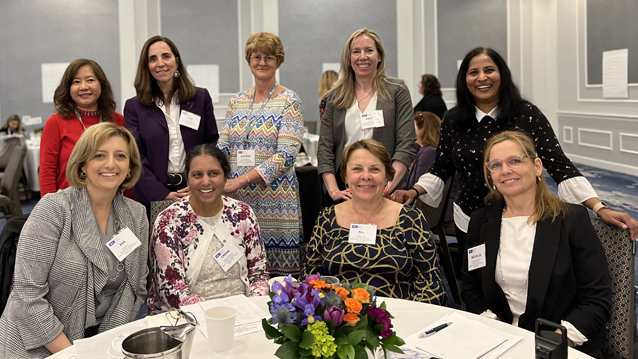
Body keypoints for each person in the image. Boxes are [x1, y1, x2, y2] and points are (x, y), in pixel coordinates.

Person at [391, 47, 638, 250]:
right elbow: (441, 167)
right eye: (473, 72)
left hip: (524, 219)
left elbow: (558, 164)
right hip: (470, 219)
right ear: (464, 79)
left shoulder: (527, 114)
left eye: (489, 70)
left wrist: (599, 207)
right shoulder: (453, 119)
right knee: (477, 286)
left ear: (502, 74)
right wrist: (414, 192)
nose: (482, 77)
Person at [0, 122, 147, 357]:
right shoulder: (54, 210)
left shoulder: (136, 214)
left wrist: (104, 347)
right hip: (40, 345)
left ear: (129, 167)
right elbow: (27, 297)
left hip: (101, 339)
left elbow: (135, 287)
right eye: (99, 155)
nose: (111, 164)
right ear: (82, 165)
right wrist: (73, 355)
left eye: (120, 156)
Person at [462, 131, 611, 358]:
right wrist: (491, 324)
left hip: (561, 345)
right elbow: (471, 286)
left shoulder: (571, 220)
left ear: (537, 166)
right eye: (495, 165)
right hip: (499, 342)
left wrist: (552, 344)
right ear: (490, 175)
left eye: (515, 161)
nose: (505, 170)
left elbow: (596, 298)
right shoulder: (481, 221)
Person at [302, 139, 446, 305]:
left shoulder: (410, 219)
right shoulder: (327, 218)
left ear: (387, 177)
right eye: (357, 169)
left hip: (396, 319)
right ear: (345, 177)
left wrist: (410, 322)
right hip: (339, 320)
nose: (366, 176)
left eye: (375, 169)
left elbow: (430, 285)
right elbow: (310, 278)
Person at [217, 32, 303, 276]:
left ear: (278, 61)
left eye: (269, 57)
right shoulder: (237, 101)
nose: (262, 62)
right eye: (257, 56)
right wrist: (213, 174)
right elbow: (223, 144)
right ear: (249, 60)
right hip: (237, 199)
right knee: (238, 271)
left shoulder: (289, 100)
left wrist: (241, 181)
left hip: (275, 202)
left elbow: (286, 154)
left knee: (277, 283)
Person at [148, 144, 269, 314]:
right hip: (188, 317)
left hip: (244, 314)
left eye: (214, 173)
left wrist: (250, 309)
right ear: (188, 179)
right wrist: (216, 316)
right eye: (197, 175)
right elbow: (171, 289)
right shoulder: (169, 221)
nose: (206, 181)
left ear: (225, 177)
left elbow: (258, 274)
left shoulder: (243, 213)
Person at [318, 28, 416, 205]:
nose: (362, 56)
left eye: (369, 50)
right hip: (345, 188)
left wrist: (386, 188)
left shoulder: (397, 91)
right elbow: (325, 149)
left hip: (386, 186)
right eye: (356, 52)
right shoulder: (333, 98)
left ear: (379, 56)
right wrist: (334, 191)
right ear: (349, 59)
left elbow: (406, 144)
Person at [125, 35, 218, 205]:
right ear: (147, 66)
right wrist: (162, 194)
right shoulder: (134, 107)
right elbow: (135, 157)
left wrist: (198, 183)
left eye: (166, 56)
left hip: (196, 190)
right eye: (153, 59)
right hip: (153, 196)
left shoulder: (200, 98)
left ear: (176, 61)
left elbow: (210, 145)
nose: (160, 63)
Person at [40, 59, 125, 196]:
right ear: (68, 88)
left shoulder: (117, 120)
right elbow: (47, 171)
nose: (83, 87)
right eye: (76, 82)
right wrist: (49, 208)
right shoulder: (56, 122)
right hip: (69, 204)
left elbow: (128, 165)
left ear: (101, 85)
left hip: (112, 201)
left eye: (90, 80)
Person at [407, 112, 456, 223]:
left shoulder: (429, 152)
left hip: (431, 214)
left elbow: (419, 192)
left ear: (422, 129)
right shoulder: (429, 151)